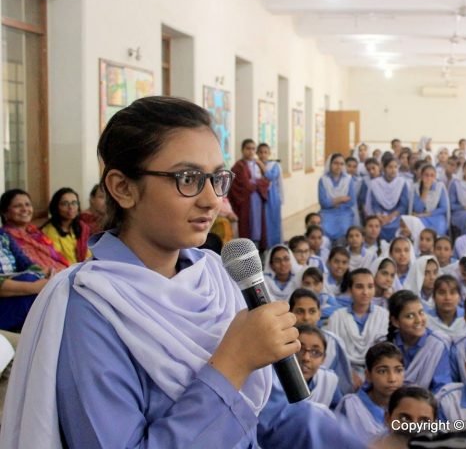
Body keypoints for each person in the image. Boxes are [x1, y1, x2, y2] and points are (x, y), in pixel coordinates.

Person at [0, 97, 360, 448]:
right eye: (187, 178)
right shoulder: (90, 310)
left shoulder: (217, 278)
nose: (212, 200)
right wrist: (232, 364)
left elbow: (264, 416)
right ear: (123, 188)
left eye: (217, 178)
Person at [335, 342, 405, 443]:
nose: (392, 379)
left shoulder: (408, 407)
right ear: (368, 375)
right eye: (382, 371)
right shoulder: (351, 405)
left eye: (398, 370)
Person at [326, 268, 389, 378]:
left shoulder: (383, 315)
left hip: (375, 371)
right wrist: (349, 373)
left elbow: (384, 352)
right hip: (342, 372)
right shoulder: (337, 317)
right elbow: (332, 352)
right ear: (350, 290)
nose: (365, 292)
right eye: (359, 287)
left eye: (370, 286)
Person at [385, 290, 451, 393]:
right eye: (410, 316)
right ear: (395, 322)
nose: (419, 320)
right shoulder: (386, 344)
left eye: (421, 313)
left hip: (425, 403)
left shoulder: (437, 344)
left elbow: (441, 388)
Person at [229, 140, 283, 250]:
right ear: (242, 150)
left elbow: (265, 180)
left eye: (253, 149)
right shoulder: (238, 166)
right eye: (248, 148)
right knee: (249, 226)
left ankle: (266, 249)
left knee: (260, 226)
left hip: (259, 199)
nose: (250, 151)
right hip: (246, 200)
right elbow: (244, 184)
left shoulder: (258, 164)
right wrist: (257, 183)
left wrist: (256, 183)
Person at [0, 189, 69, 275]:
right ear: (5, 212)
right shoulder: (5, 238)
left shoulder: (36, 233)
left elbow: (57, 257)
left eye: (28, 205)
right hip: (38, 282)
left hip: (61, 274)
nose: (25, 209)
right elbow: (26, 267)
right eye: (17, 206)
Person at [0, 228, 49, 331]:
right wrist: (35, 287)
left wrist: (46, 272)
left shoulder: (3, 234)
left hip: (14, 292)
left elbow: (26, 264)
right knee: (30, 283)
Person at [40, 187, 92, 264]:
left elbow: (88, 256)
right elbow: (57, 259)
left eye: (74, 203)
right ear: (56, 207)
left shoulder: (81, 227)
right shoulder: (48, 232)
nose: (71, 207)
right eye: (65, 204)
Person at [297, 324, 342, 409]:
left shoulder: (327, 381)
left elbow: (337, 412)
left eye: (315, 352)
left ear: (323, 359)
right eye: (299, 349)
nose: (306, 358)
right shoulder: (273, 381)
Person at [365, 155, 409, 241]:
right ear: (384, 168)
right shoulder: (375, 183)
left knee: (397, 226)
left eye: (395, 167)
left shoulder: (402, 182)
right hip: (380, 214)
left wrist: (390, 217)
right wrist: (379, 216)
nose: (393, 170)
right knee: (377, 225)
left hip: (397, 214)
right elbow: (374, 204)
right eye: (390, 167)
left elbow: (403, 205)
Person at [318, 153, 356, 243]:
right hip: (327, 212)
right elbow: (323, 203)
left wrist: (333, 202)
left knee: (344, 229)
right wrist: (341, 199)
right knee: (324, 229)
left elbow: (351, 201)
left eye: (341, 164)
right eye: (335, 163)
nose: (338, 166)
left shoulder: (348, 179)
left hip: (344, 211)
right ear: (330, 164)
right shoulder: (323, 180)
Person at [409, 164, 449, 237]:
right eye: (426, 175)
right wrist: (425, 190)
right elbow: (418, 209)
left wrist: (427, 214)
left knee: (440, 226)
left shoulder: (440, 186)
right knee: (418, 225)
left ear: (435, 176)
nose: (429, 178)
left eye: (432, 175)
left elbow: (444, 208)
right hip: (420, 216)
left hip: (436, 216)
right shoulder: (416, 187)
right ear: (421, 176)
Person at [426, 274, 466, 340]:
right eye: (442, 293)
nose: (447, 298)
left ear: (460, 297)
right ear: (433, 297)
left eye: (452, 293)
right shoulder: (425, 319)